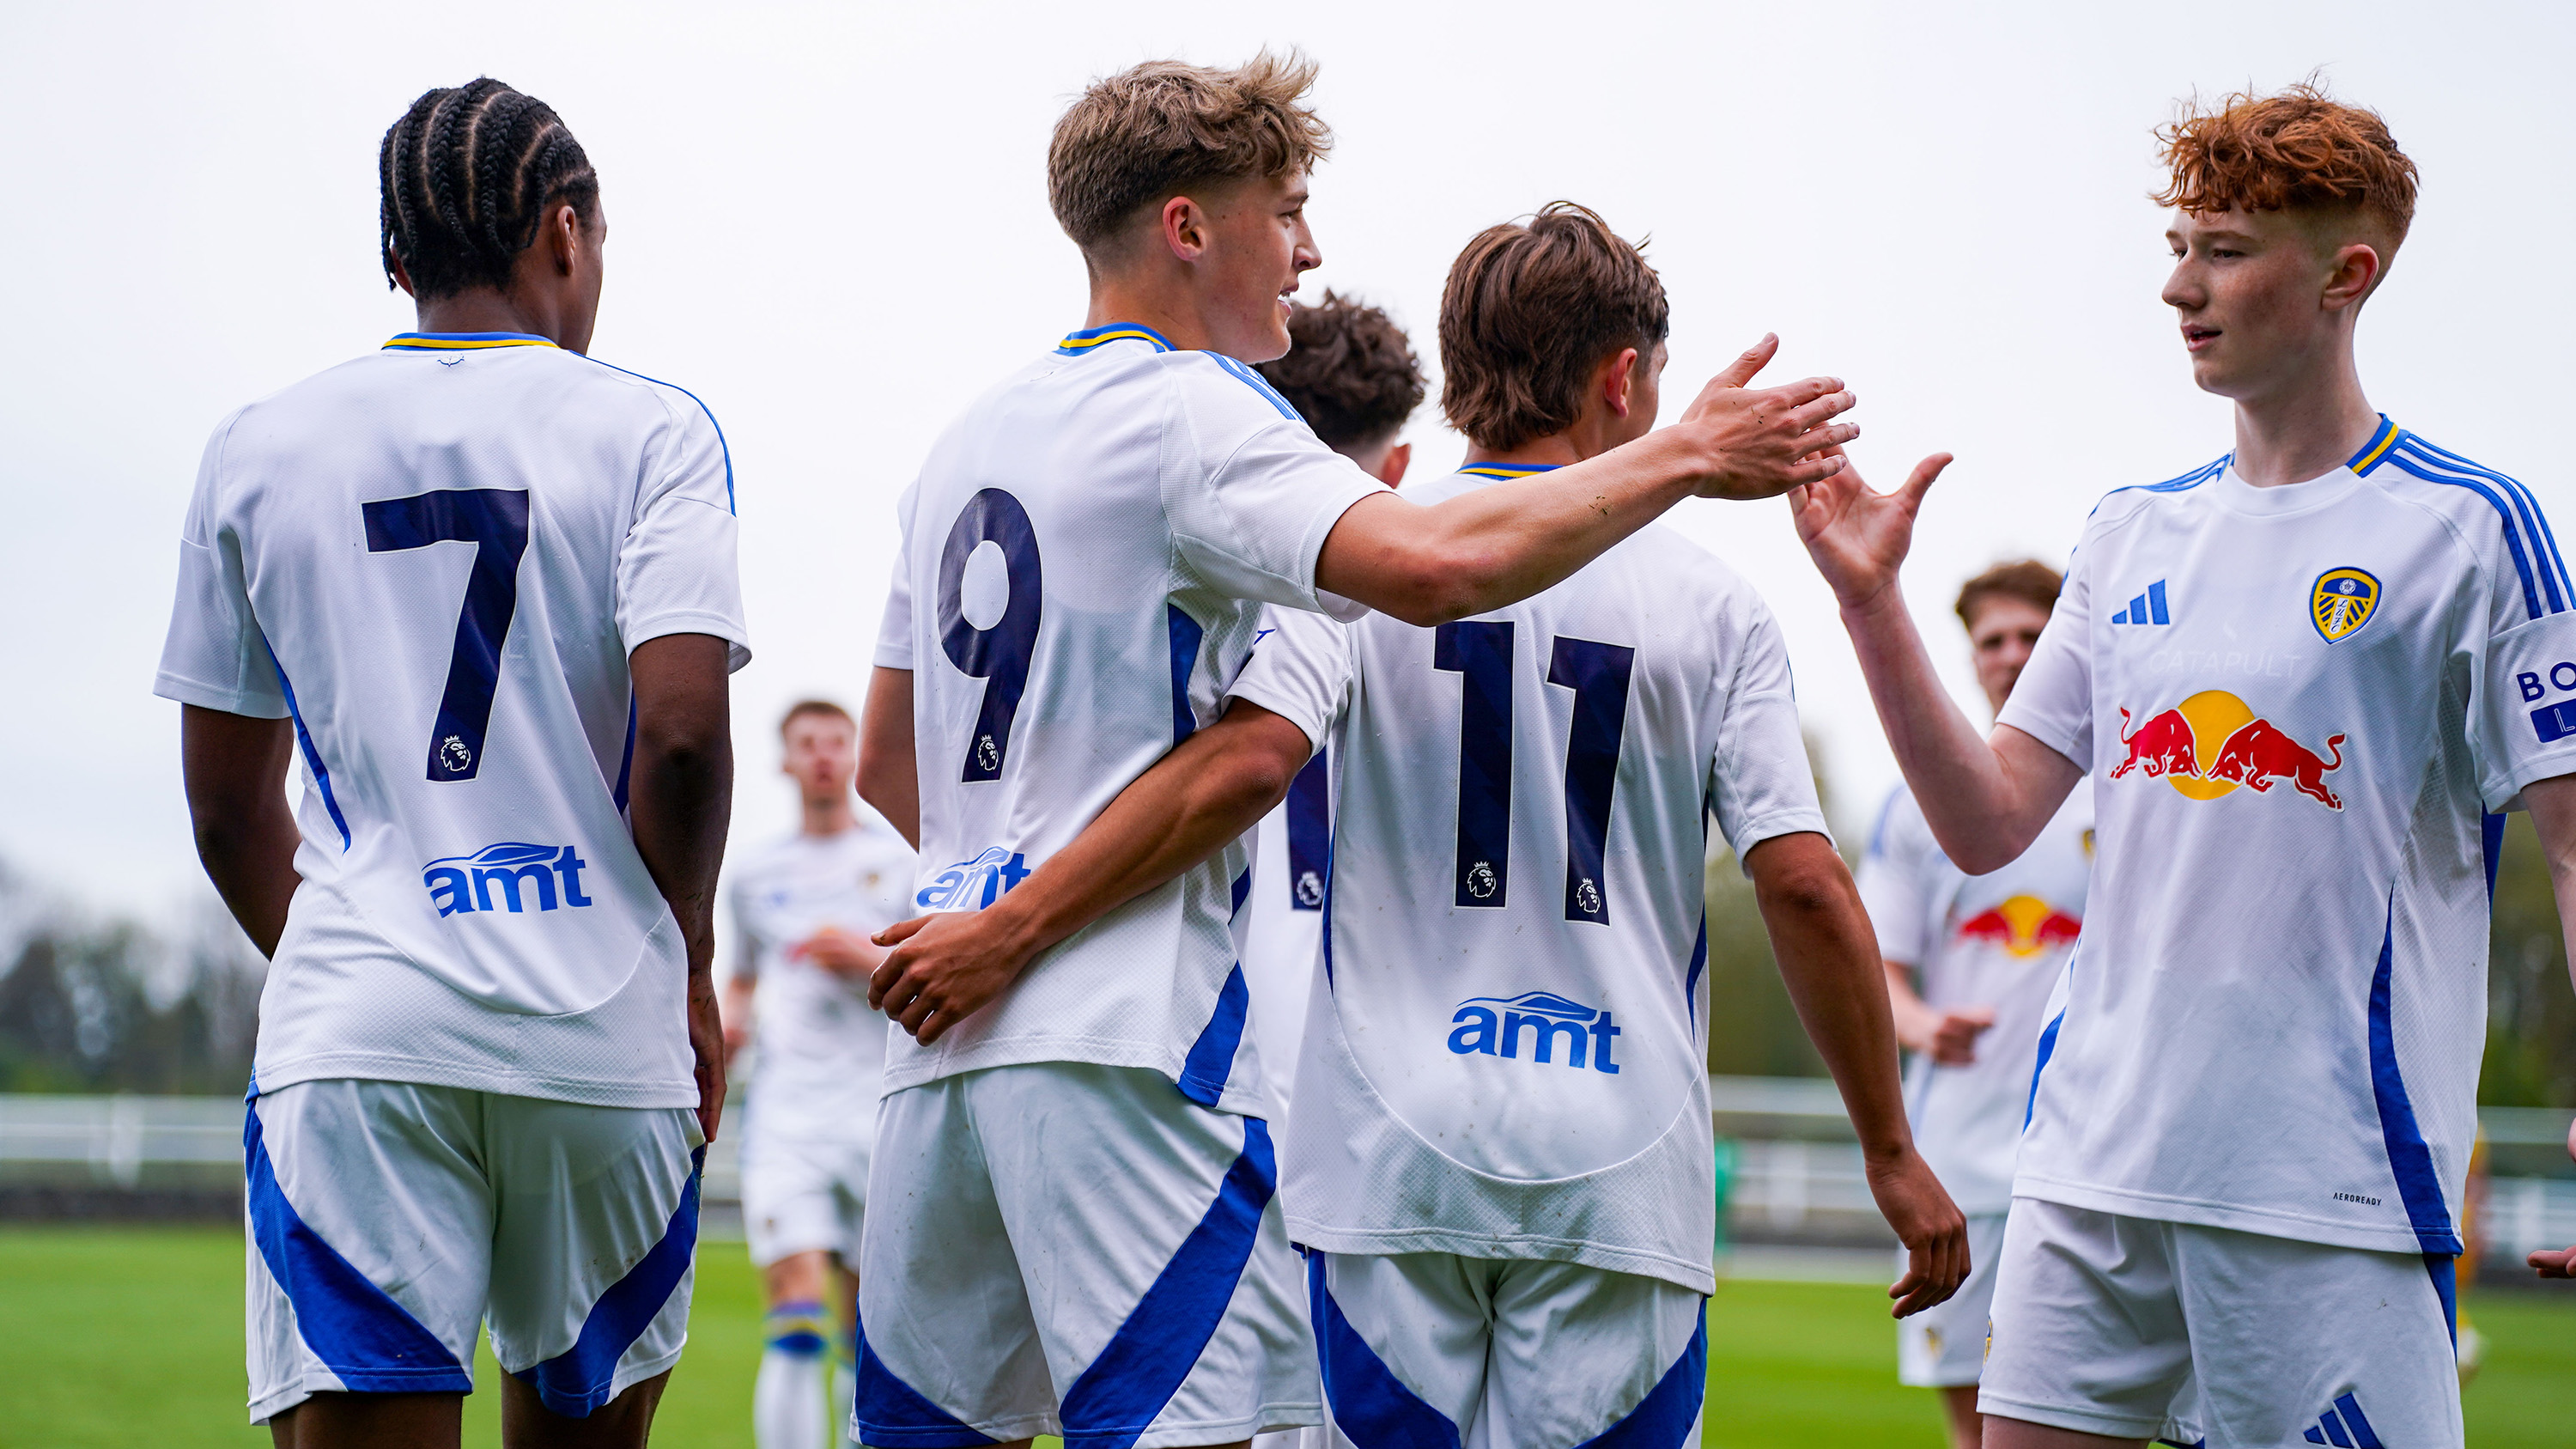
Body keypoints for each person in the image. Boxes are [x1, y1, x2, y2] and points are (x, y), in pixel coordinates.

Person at [850, 52, 1869, 1449]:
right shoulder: (1201, 410)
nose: (1309, 248)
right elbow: (1434, 570)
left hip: (938, 1025)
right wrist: (1684, 456)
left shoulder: (963, 438)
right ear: (1189, 226)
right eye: (1285, 206)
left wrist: (997, 893)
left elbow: (885, 764)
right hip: (1124, 1036)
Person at [1792, 83, 2576, 1448]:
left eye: (2223, 250)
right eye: (2180, 245)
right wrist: (1871, 603)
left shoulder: (2473, 530)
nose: (2177, 287)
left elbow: (2573, 841)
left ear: (2347, 275)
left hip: (2328, 1197)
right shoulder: (2128, 534)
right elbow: (1988, 821)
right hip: (2089, 1172)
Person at [155, 77, 748, 1448]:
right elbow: (684, 737)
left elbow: (226, 809)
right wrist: (692, 962)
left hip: (361, 1036)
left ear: (397, 261)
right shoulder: (655, 431)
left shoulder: (256, 445)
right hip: (603, 1033)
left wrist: (380, 955)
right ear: (564, 232)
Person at [1857, 560, 2091, 1449]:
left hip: (2090, 1154)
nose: (2011, 653)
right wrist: (1920, 1024)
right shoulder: (1916, 807)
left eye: (2032, 635)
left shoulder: (2125, 790)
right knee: (1976, 1427)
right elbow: (1880, 966)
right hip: (1959, 1163)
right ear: (1970, 658)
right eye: (1992, 639)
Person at [1242, 292, 1426, 1113]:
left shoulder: (1206, 601)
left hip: (1213, 1054)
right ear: (1398, 471)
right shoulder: (1445, 622)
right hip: (1400, 1078)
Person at [723, 700, 915, 1449]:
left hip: (880, 1110)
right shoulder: (756, 872)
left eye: (837, 741)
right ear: (787, 761)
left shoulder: (900, 863)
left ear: (854, 752)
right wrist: (731, 1022)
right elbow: (740, 976)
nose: (825, 755)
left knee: (870, 1323)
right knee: (796, 1311)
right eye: (808, 743)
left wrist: (868, 961)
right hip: (789, 1115)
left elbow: (933, 970)